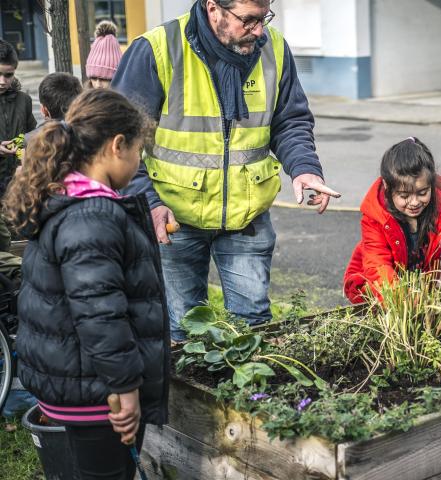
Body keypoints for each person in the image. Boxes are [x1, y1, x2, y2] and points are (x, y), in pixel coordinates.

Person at [112, 0, 340, 342]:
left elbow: (290, 120)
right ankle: (189, 398)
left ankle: (251, 398)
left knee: (254, 327)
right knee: (184, 330)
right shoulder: (157, 49)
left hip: (246, 216)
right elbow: (120, 141)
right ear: (213, 8)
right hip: (172, 217)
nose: (259, 31)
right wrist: (148, 202)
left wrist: (304, 167)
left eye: (263, 18)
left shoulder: (274, 48)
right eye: (248, 20)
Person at [4, 89, 168, 479]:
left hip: (82, 383)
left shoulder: (70, 198)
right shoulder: (93, 215)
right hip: (100, 394)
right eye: (138, 151)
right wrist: (126, 388)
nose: (137, 161)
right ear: (116, 146)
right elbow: (100, 313)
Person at [343, 137, 441, 317]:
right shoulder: (375, 217)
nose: (414, 202)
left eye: (422, 193)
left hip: (420, 292)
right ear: (388, 187)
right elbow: (378, 266)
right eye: (404, 195)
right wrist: (407, 306)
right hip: (376, 290)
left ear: (431, 184)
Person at [0, 39, 36, 252]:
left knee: (19, 242)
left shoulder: (24, 101)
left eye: (8, 75)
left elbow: (30, 133)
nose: (2, 81)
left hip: (15, 184)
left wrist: (21, 144)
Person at [86, 21, 123, 89]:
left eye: (104, 79)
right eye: (94, 78)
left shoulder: (130, 98)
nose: (98, 85)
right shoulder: (83, 99)